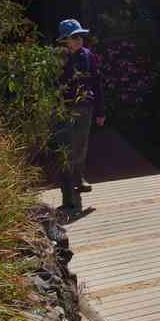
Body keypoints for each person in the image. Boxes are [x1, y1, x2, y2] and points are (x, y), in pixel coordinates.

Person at [56, 19, 105, 215]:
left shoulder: (89, 57)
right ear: (64, 40)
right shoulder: (57, 59)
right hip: (64, 110)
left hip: (85, 109)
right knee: (66, 152)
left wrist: (100, 111)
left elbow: (97, 84)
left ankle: (78, 177)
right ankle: (67, 196)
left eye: (80, 36)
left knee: (81, 147)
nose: (79, 40)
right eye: (74, 37)